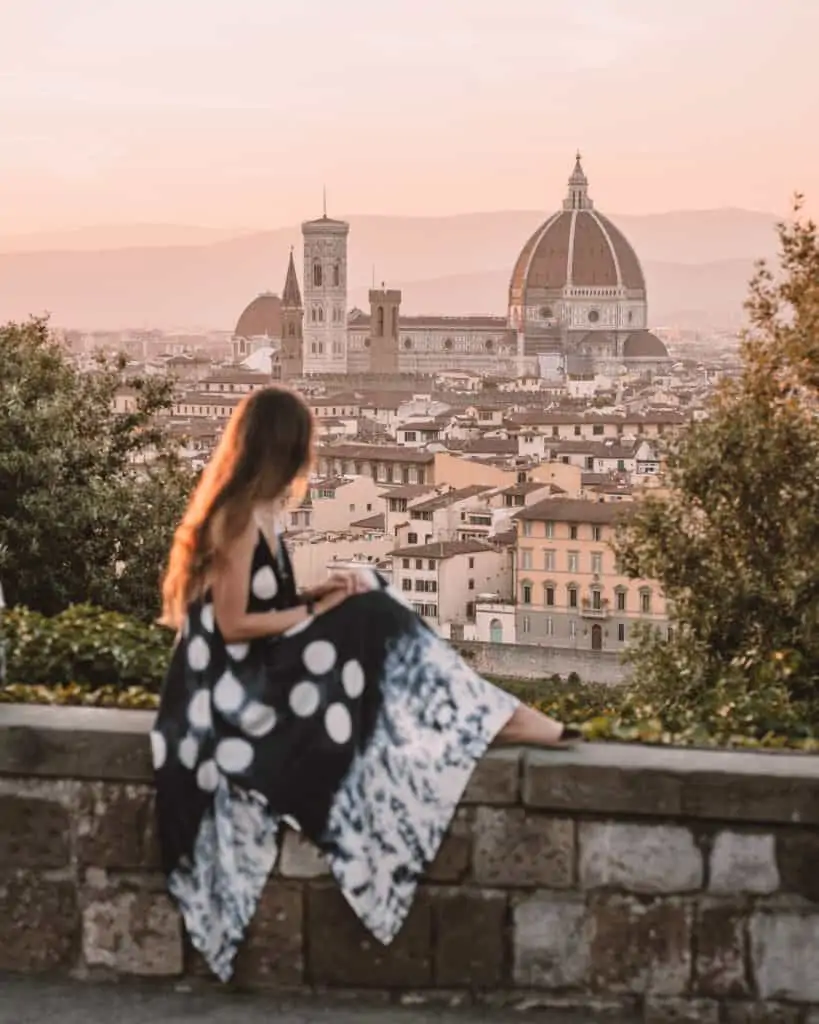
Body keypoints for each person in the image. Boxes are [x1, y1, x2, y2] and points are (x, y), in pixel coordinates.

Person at [151, 385, 580, 982]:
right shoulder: (238, 518)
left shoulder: (259, 514)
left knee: (368, 590)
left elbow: (257, 605)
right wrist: (314, 615)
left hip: (253, 671)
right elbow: (232, 624)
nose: (310, 459)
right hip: (226, 692)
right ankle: (496, 718)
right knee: (370, 613)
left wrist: (315, 595)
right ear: (281, 449)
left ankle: (486, 715)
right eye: (305, 446)